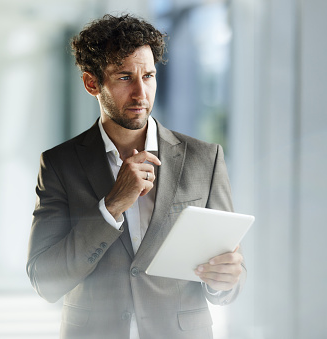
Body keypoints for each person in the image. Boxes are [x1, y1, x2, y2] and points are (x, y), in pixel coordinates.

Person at [27, 14, 246, 339]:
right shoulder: (60, 165)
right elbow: (45, 280)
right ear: (92, 83)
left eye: (149, 75)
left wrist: (226, 280)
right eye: (125, 77)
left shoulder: (205, 159)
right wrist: (111, 206)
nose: (141, 92)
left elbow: (229, 276)